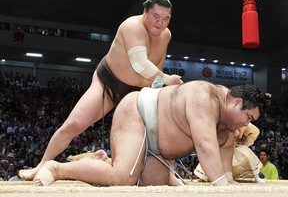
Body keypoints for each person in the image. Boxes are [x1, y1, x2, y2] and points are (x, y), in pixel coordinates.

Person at [19, 0, 182, 181]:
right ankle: (40, 166)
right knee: (73, 125)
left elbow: (157, 66)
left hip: (137, 95)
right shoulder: (131, 26)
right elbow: (140, 64)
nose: (160, 23)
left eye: (166, 18)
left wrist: (160, 89)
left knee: (160, 132)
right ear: (145, 12)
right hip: (108, 84)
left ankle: (169, 175)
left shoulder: (166, 35)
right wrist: (168, 79)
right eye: (156, 16)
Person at [31, 80, 271, 186]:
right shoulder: (204, 97)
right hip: (138, 113)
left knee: (152, 185)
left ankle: (103, 160)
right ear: (237, 102)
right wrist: (221, 186)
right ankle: (56, 168)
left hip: (158, 143)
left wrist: (228, 181)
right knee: (122, 178)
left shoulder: (227, 125)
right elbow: (206, 147)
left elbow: (224, 157)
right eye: (247, 117)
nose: (245, 124)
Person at [194, 123, 265, 183]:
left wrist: (243, 140)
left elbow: (253, 132)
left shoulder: (244, 123)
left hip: (236, 147)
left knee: (247, 153)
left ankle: (256, 177)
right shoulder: (223, 122)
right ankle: (203, 177)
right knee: (211, 157)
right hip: (221, 148)